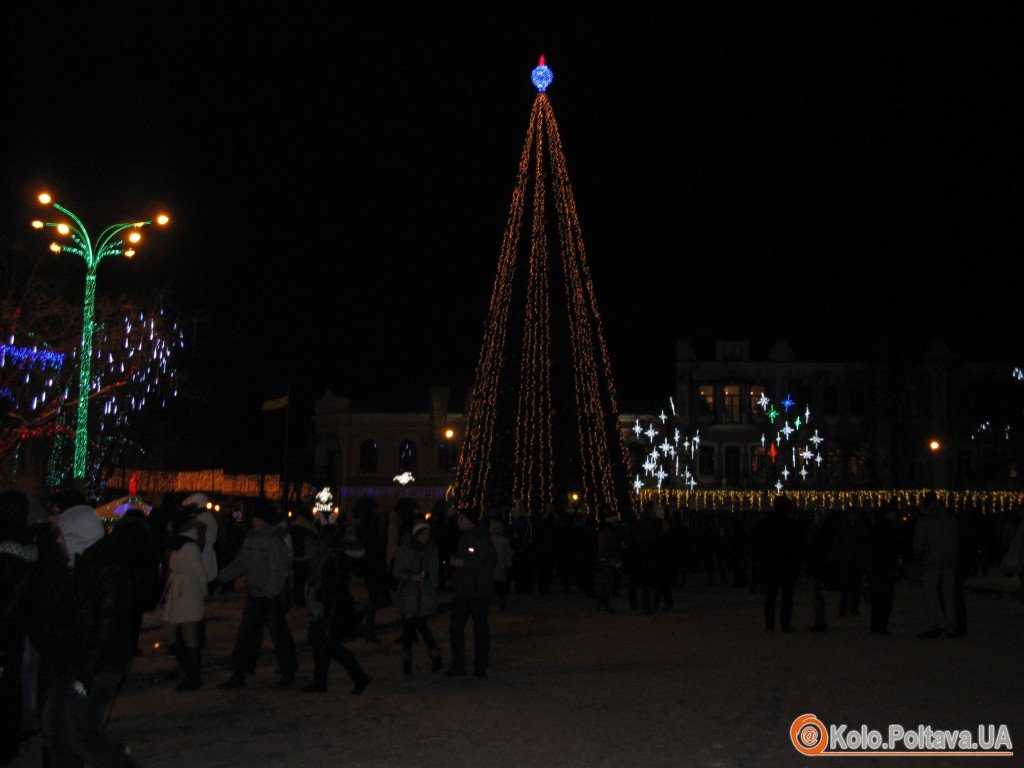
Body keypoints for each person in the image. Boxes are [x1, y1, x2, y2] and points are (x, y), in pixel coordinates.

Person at [50, 512, 151, 768]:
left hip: (95, 668)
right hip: (85, 663)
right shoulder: (84, 563)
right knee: (66, 734)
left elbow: (106, 625)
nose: (59, 542)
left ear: (76, 536)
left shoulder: (104, 567)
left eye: (63, 535)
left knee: (81, 737)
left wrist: (85, 673)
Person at [217, 504, 298, 688]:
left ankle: (288, 671)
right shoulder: (251, 540)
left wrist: (270, 593)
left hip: (270, 597)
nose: (252, 521)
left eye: (256, 518)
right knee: (245, 636)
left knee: (278, 635)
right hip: (255, 594)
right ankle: (239, 674)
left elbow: (279, 570)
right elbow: (240, 564)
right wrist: (221, 576)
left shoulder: (275, 541)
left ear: (265, 520)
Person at [301, 511, 371, 694]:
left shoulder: (333, 556)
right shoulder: (328, 555)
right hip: (327, 605)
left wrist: (322, 598)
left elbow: (334, 583)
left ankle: (359, 676)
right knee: (321, 645)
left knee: (330, 645)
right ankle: (320, 681)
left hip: (332, 607)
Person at [0, 490, 38, 766]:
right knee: (10, 683)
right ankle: (10, 738)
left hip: (7, 628)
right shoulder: (25, 544)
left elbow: (8, 594)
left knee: (7, 684)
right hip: (15, 627)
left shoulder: (8, 549)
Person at [446, 508, 497, 678]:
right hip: (463, 591)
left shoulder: (481, 537)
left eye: (461, 518)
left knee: (479, 630)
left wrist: (464, 564)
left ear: (469, 520)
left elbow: (489, 563)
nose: (458, 521)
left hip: (477, 593)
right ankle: (459, 665)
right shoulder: (464, 537)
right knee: (456, 629)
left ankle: (479, 667)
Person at [161, 518, 207, 690]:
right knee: (170, 634)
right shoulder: (179, 545)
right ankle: (192, 673)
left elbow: (199, 572)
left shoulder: (188, 547)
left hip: (188, 593)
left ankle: (193, 676)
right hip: (178, 593)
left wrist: (203, 594)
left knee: (188, 635)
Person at [394, 521, 442, 674]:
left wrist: (433, 588)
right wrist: (410, 576)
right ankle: (406, 663)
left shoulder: (432, 550)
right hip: (409, 593)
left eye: (428, 534)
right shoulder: (405, 550)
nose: (426, 537)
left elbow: (434, 573)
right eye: (423, 534)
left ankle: (436, 657)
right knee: (408, 630)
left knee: (423, 626)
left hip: (425, 593)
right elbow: (397, 571)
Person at [913, 492, 958, 638]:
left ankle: (935, 625)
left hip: (931, 560)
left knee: (930, 593)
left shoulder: (926, 520)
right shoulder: (949, 518)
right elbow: (955, 539)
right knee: (948, 595)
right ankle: (950, 626)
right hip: (948, 560)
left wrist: (918, 554)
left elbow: (919, 544)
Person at [761, 495, 801, 633]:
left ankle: (770, 624)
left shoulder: (767, 523)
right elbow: (796, 546)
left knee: (771, 596)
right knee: (785, 597)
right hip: (786, 564)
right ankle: (784, 623)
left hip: (772, 564)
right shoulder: (791, 524)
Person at [489, 516, 514, 611]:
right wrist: (509, 565)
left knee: (491, 587)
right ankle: (501, 604)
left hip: (491, 568)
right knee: (502, 588)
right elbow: (508, 554)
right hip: (501, 567)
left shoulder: (488, 540)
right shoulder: (504, 541)